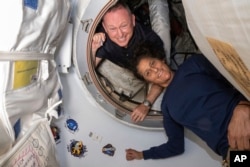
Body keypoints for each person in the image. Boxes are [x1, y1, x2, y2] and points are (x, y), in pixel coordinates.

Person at [125, 41, 250, 165]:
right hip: (233, 151)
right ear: (148, 81)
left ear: (161, 59)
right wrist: (142, 154)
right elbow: (175, 146)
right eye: (148, 73)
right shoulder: (166, 107)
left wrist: (243, 107)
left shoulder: (193, 64)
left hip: (245, 120)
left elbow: (236, 76)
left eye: (153, 63)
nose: (155, 70)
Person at [91, 0, 166, 122]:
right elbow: (90, 68)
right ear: (104, 27)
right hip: (120, 69)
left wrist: (146, 104)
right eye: (112, 28)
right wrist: (94, 48)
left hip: (143, 75)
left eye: (124, 26)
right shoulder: (102, 39)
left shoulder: (150, 40)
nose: (120, 34)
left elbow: (163, 76)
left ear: (133, 20)